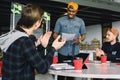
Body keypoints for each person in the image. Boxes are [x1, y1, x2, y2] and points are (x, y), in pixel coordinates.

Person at [0, 3, 66, 80]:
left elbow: (28, 57)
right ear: (37, 23)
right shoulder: (25, 41)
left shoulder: (14, 34)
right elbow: (43, 68)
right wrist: (53, 48)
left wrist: (41, 46)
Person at [53, 1, 86, 80]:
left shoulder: (80, 21)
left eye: (73, 12)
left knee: (71, 75)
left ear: (76, 11)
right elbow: (55, 34)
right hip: (62, 51)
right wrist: (60, 39)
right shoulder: (60, 20)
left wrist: (80, 40)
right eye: (69, 11)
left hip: (74, 52)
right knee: (61, 74)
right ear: (67, 10)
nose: (71, 13)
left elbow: (84, 35)